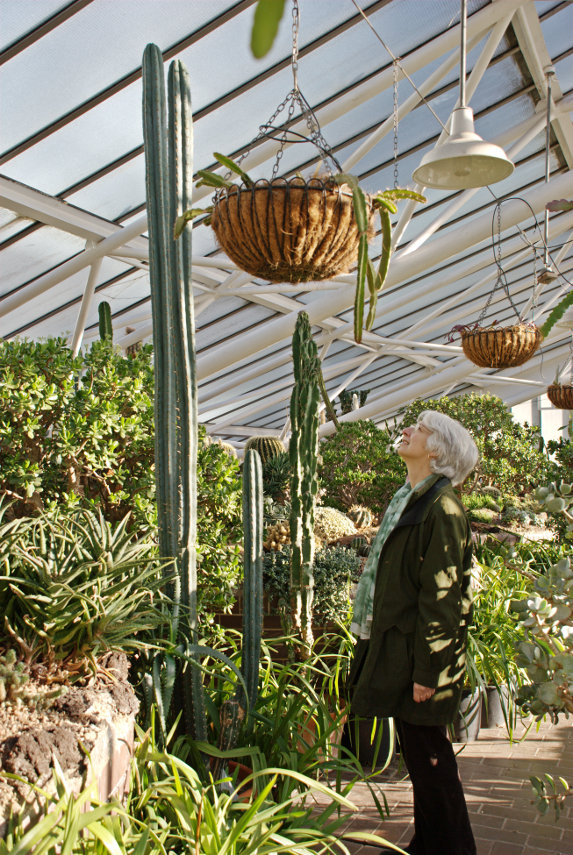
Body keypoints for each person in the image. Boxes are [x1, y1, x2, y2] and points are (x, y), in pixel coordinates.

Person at [347, 410, 479, 855]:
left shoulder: (441, 508)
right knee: (424, 762)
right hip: (402, 651)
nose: (406, 431)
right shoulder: (410, 498)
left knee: (432, 764)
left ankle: (451, 848)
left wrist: (428, 673)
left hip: (420, 661)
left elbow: (442, 600)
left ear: (437, 449)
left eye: (418, 428)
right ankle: (430, 844)